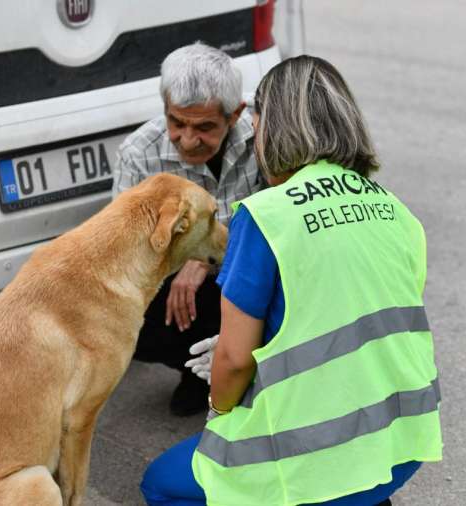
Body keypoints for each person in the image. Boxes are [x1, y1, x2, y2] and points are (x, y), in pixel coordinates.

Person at [140, 55, 443, 505]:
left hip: (320, 458)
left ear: (272, 129)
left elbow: (236, 361)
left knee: (162, 486)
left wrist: (221, 410)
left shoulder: (266, 217)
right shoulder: (396, 210)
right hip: (401, 446)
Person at [113, 42, 262, 416]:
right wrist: (195, 253)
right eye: (177, 123)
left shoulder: (263, 137)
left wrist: (207, 258)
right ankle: (196, 370)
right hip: (175, 280)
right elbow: (128, 247)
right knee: (137, 321)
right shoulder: (139, 153)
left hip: (246, 271)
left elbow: (281, 211)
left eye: (205, 127)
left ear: (235, 114)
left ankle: (254, 371)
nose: (189, 140)